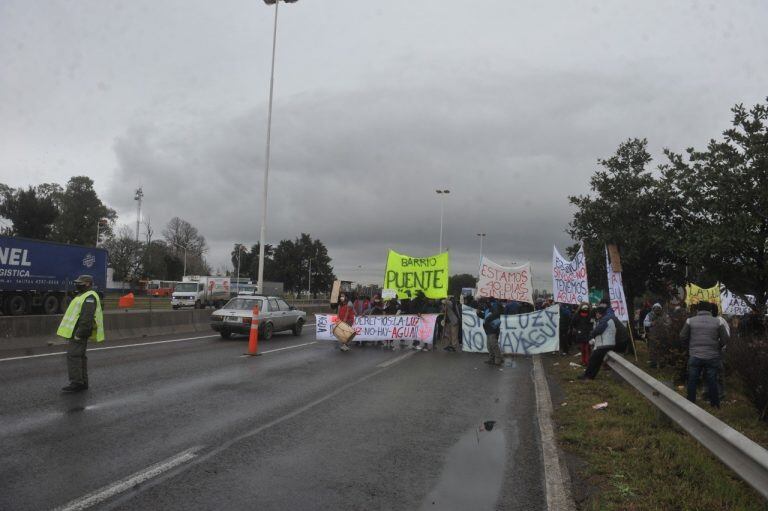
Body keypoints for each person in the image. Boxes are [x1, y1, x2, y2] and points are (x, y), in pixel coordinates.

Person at [57, 275, 105, 392]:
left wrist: (80, 333)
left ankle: (77, 383)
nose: (77, 284)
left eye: (80, 283)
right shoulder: (82, 295)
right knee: (79, 357)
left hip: (79, 333)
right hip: (75, 332)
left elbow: (87, 318)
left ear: (88, 283)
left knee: (73, 356)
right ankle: (82, 382)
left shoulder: (89, 297)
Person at [679, 301, 729, 408]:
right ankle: (715, 404)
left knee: (692, 379)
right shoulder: (717, 322)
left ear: (698, 310)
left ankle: (690, 403)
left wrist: (689, 347)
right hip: (712, 356)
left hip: (695, 355)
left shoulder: (690, 321)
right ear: (710, 310)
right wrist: (718, 347)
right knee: (712, 379)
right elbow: (725, 338)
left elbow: (682, 336)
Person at [580, 301, 617, 380]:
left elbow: (598, 331)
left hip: (605, 344)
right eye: (596, 313)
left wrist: (589, 337)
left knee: (592, 360)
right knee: (597, 361)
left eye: (598, 313)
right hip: (607, 344)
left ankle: (587, 376)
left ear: (602, 313)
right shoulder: (605, 319)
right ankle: (590, 376)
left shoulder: (605, 320)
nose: (597, 314)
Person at [643, 303, 666, 368]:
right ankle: (653, 364)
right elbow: (645, 323)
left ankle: (662, 364)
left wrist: (664, 324)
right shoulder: (649, 315)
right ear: (653, 309)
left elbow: (669, 323)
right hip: (653, 335)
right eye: (656, 309)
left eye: (658, 309)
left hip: (662, 335)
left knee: (661, 349)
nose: (657, 310)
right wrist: (651, 323)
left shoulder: (664, 315)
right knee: (653, 349)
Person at [482, 298, 503, 366]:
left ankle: (498, 360)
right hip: (488, 329)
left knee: (494, 345)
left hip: (493, 329)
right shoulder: (487, 309)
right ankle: (491, 359)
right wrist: (479, 313)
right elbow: (484, 317)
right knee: (489, 346)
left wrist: (488, 319)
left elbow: (495, 314)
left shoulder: (495, 306)